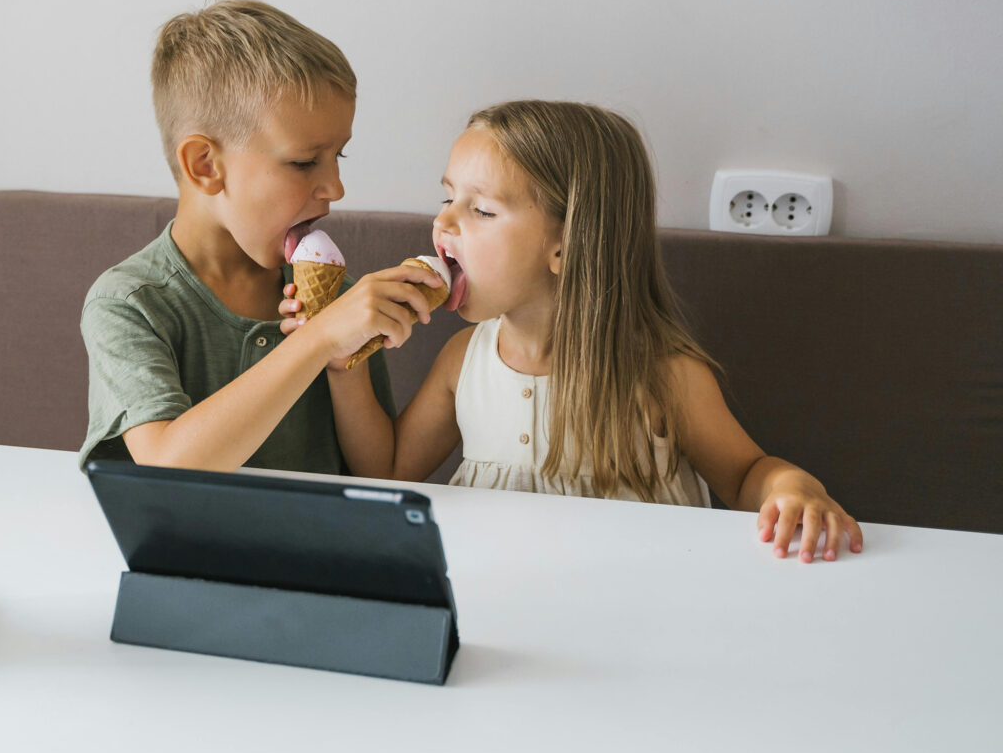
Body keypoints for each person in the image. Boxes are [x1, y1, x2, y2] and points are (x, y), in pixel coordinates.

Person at [285, 99, 863, 562]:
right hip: (501, 605)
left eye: (481, 210)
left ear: (566, 245)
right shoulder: (465, 361)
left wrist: (792, 487)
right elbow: (386, 471)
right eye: (446, 198)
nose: (443, 221)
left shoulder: (662, 375)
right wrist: (342, 362)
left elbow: (746, 475)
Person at [78, 0, 442, 474]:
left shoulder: (341, 302)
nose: (335, 187)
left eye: (340, 157)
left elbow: (378, 475)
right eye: (304, 162)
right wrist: (318, 342)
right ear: (206, 166)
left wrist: (340, 359)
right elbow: (169, 464)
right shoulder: (129, 304)